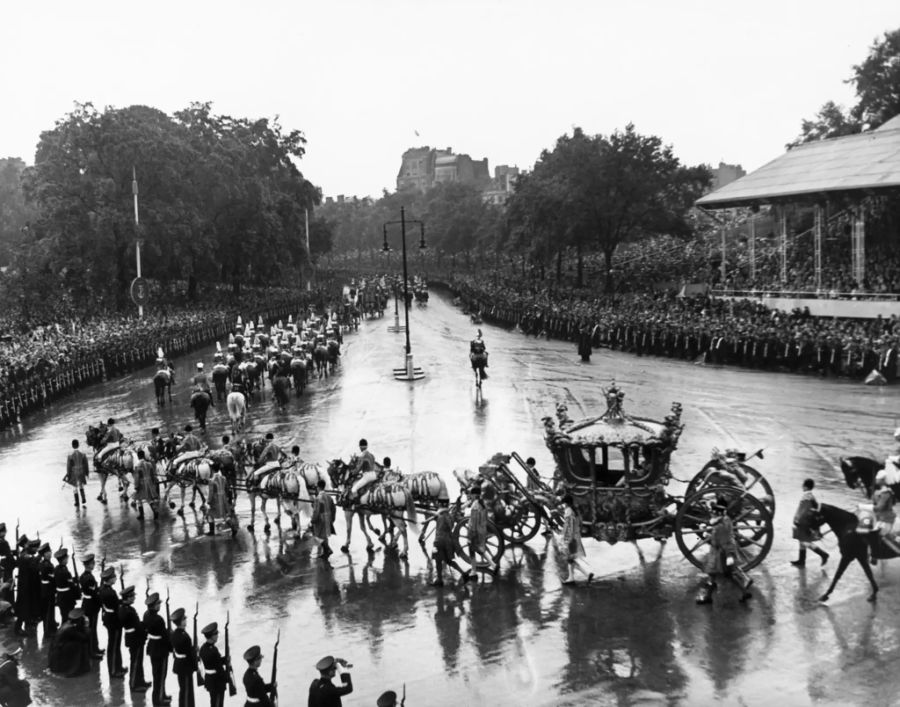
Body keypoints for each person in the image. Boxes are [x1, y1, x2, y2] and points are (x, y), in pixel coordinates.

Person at [697, 497, 753, 604]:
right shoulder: (725, 521)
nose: (712, 515)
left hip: (719, 554)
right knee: (727, 575)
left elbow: (724, 542)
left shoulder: (720, 527)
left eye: (713, 513)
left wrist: (729, 556)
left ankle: (708, 597)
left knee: (715, 575)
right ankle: (744, 591)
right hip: (719, 552)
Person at [143, 592, 173, 707]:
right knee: (161, 676)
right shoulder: (159, 619)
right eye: (158, 604)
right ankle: (159, 700)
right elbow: (165, 637)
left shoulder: (146, 614)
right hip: (161, 649)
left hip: (152, 647)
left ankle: (162, 695)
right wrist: (171, 648)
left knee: (157, 675)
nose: (159, 605)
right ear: (155, 605)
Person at [791, 478, 829, 567]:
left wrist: (797, 520)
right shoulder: (811, 496)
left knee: (805, 542)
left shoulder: (806, 497)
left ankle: (823, 554)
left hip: (804, 522)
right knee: (802, 541)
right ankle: (801, 561)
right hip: (807, 522)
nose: (802, 487)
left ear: (805, 486)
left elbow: (803, 511)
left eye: (803, 485)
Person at [119, 585, 150, 692]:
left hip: (133, 638)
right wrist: (145, 629)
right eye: (132, 596)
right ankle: (134, 685)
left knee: (138, 661)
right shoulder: (128, 611)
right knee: (136, 662)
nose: (134, 598)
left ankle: (140, 681)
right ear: (128, 598)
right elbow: (137, 626)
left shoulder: (124, 608)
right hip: (135, 639)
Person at [99, 566, 126, 678]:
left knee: (115, 645)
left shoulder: (104, 589)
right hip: (113, 620)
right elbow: (116, 605)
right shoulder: (109, 593)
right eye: (113, 577)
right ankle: (114, 670)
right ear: (109, 579)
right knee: (114, 645)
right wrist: (123, 602)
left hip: (108, 618)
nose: (115, 578)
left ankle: (118, 666)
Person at [47, 608, 91, 677]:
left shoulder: (67, 624)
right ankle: (76, 668)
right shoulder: (71, 629)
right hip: (59, 653)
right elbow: (85, 638)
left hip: (56, 651)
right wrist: (86, 626)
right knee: (79, 645)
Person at [430, 507, 468, 587]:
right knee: (449, 561)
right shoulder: (450, 516)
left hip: (440, 541)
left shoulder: (440, 517)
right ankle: (463, 573)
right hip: (449, 541)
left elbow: (438, 528)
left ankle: (439, 580)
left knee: (438, 561)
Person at [560, 494, 593, 585]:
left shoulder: (568, 511)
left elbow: (568, 525)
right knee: (570, 559)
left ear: (566, 503)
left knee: (569, 558)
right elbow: (580, 523)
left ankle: (573, 578)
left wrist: (566, 537)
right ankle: (580, 576)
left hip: (571, 537)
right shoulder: (575, 510)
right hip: (576, 535)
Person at [78, 553, 104, 659]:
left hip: (87, 603)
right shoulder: (89, 578)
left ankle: (95, 648)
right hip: (91, 605)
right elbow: (94, 594)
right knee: (92, 629)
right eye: (92, 563)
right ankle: (92, 651)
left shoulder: (83, 576)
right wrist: (101, 603)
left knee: (92, 628)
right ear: (88, 565)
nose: (94, 565)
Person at [170, 607, 197, 707]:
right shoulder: (185, 637)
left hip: (179, 664)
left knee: (183, 689)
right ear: (181, 622)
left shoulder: (174, 634)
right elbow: (189, 655)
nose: (186, 620)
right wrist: (195, 667)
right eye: (184, 619)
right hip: (186, 667)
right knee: (187, 691)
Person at [870, 470, 897, 565]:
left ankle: (876, 555)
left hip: (886, 519)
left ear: (882, 480)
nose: (876, 480)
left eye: (878, 478)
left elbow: (879, 507)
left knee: (877, 535)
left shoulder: (886, 493)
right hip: (879, 518)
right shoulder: (879, 491)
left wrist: (862, 506)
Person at [467, 485, 493, 578]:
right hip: (482, 530)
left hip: (475, 531)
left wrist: (471, 535)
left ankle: (473, 571)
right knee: (478, 549)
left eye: (471, 494)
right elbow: (486, 518)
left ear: (474, 495)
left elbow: (473, 521)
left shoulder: (475, 505)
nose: (470, 496)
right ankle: (493, 564)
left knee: (471, 550)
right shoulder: (483, 504)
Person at [198, 622, 227, 707]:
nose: (217, 636)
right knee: (218, 703)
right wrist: (226, 677)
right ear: (212, 636)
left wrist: (224, 659)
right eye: (216, 634)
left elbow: (213, 662)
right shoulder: (214, 650)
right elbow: (219, 667)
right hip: (217, 681)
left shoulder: (203, 649)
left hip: (210, 679)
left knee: (213, 702)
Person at [53, 547, 79, 625]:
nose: (67, 559)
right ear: (63, 560)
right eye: (66, 558)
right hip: (67, 597)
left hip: (60, 596)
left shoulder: (56, 569)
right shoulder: (66, 572)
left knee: (63, 615)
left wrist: (73, 579)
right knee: (69, 616)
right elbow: (71, 585)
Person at [312, 480, 336, 560]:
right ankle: (326, 551)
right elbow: (333, 508)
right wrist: (332, 518)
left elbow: (316, 511)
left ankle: (328, 549)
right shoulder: (329, 497)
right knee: (325, 536)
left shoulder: (318, 498)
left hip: (321, 519)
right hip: (328, 518)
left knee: (318, 535)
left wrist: (313, 519)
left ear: (318, 487)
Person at [37, 542, 57, 636]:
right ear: (44, 554)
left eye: (50, 551)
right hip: (49, 590)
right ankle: (48, 631)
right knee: (49, 611)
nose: (50, 553)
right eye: (48, 552)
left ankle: (50, 627)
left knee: (47, 610)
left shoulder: (42, 563)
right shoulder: (48, 565)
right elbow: (53, 579)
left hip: (43, 589)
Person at [134, 449, 159, 520]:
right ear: (144, 455)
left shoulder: (137, 465)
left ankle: (141, 515)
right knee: (149, 499)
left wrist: (136, 486)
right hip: (149, 483)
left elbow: (137, 477)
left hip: (142, 484)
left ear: (138, 456)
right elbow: (152, 474)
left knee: (138, 499)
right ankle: (155, 510)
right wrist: (154, 481)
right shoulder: (149, 464)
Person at [64, 439, 89, 508]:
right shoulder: (83, 454)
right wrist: (87, 472)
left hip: (74, 472)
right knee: (81, 485)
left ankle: (77, 502)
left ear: (72, 445)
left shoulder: (70, 455)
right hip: (81, 471)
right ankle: (83, 498)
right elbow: (86, 464)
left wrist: (68, 474)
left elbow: (68, 466)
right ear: (78, 445)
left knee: (74, 487)